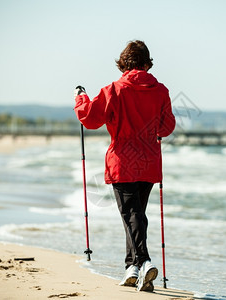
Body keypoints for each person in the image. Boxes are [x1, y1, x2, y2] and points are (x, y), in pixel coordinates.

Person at [73, 40, 176, 292]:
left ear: (124, 64)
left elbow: (90, 117)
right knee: (136, 214)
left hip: (122, 161)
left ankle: (144, 261)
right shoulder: (160, 90)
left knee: (131, 215)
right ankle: (131, 266)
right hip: (149, 161)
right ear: (146, 62)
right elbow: (167, 127)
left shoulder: (114, 90)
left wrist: (80, 98)